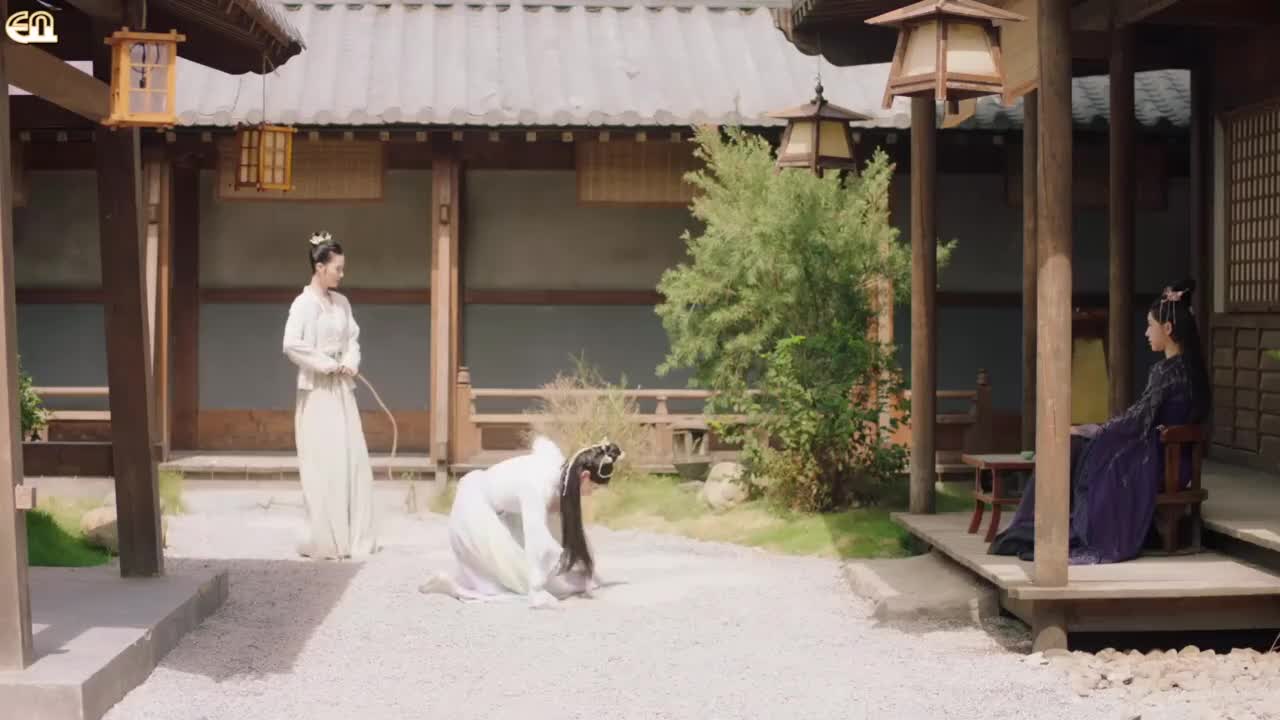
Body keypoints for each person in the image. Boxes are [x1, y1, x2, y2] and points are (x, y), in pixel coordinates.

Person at [989, 279, 1211, 565]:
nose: (1146, 332)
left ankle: (1037, 526)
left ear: (1167, 329)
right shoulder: (1188, 370)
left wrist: (1093, 430)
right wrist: (1095, 430)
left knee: (1073, 445)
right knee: (1077, 443)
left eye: (1150, 325)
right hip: (1173, 461)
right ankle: (1039, 525)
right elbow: (1141, 417)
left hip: (1156, 462)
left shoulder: (1167, 372)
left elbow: (1137, 420)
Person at [420, 436, 623, 607]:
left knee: (555, 579)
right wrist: (537, 589)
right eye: (593, 488)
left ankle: (463, 584)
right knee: (516, 586)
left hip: (502, 514)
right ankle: (455, 587)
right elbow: (536, 535)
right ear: (585, 476)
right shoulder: (539, 485)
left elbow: (541, 443)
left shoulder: (562, 473)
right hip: (474, 513)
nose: (591, 493)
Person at [282, 231, 377, 560]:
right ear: (320, 267)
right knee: (325, 462)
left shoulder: (342, 304)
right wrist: (326, 364)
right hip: (318, 391)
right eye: (337, 268)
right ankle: (327, 538)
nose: (341, 274)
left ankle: (352, 538)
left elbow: (353, 339)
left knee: (351, 459)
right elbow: (291, 343)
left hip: (341, 390)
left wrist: (350, 362)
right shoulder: (303, 304)